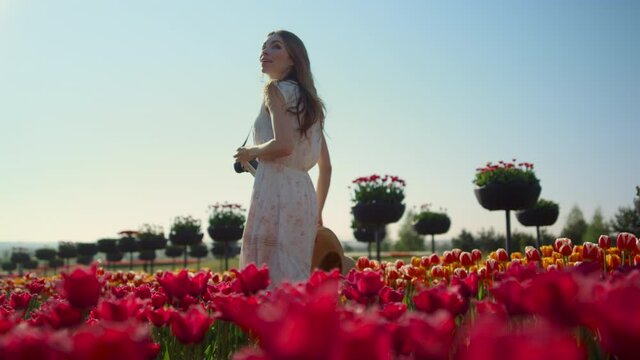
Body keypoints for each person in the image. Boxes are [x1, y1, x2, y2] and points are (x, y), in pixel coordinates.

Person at [233, 30, 332, 284]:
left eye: (275, 46)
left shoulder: (275, 90)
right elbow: (326, 167)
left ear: (292, 59)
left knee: (267, 276)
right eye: (263, 46)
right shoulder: (312, 103)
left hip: (274, 194)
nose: (264, 52)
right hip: (303, 195)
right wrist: (318, 211)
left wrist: (250, 152)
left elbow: (284, 146)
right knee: (293, 274)